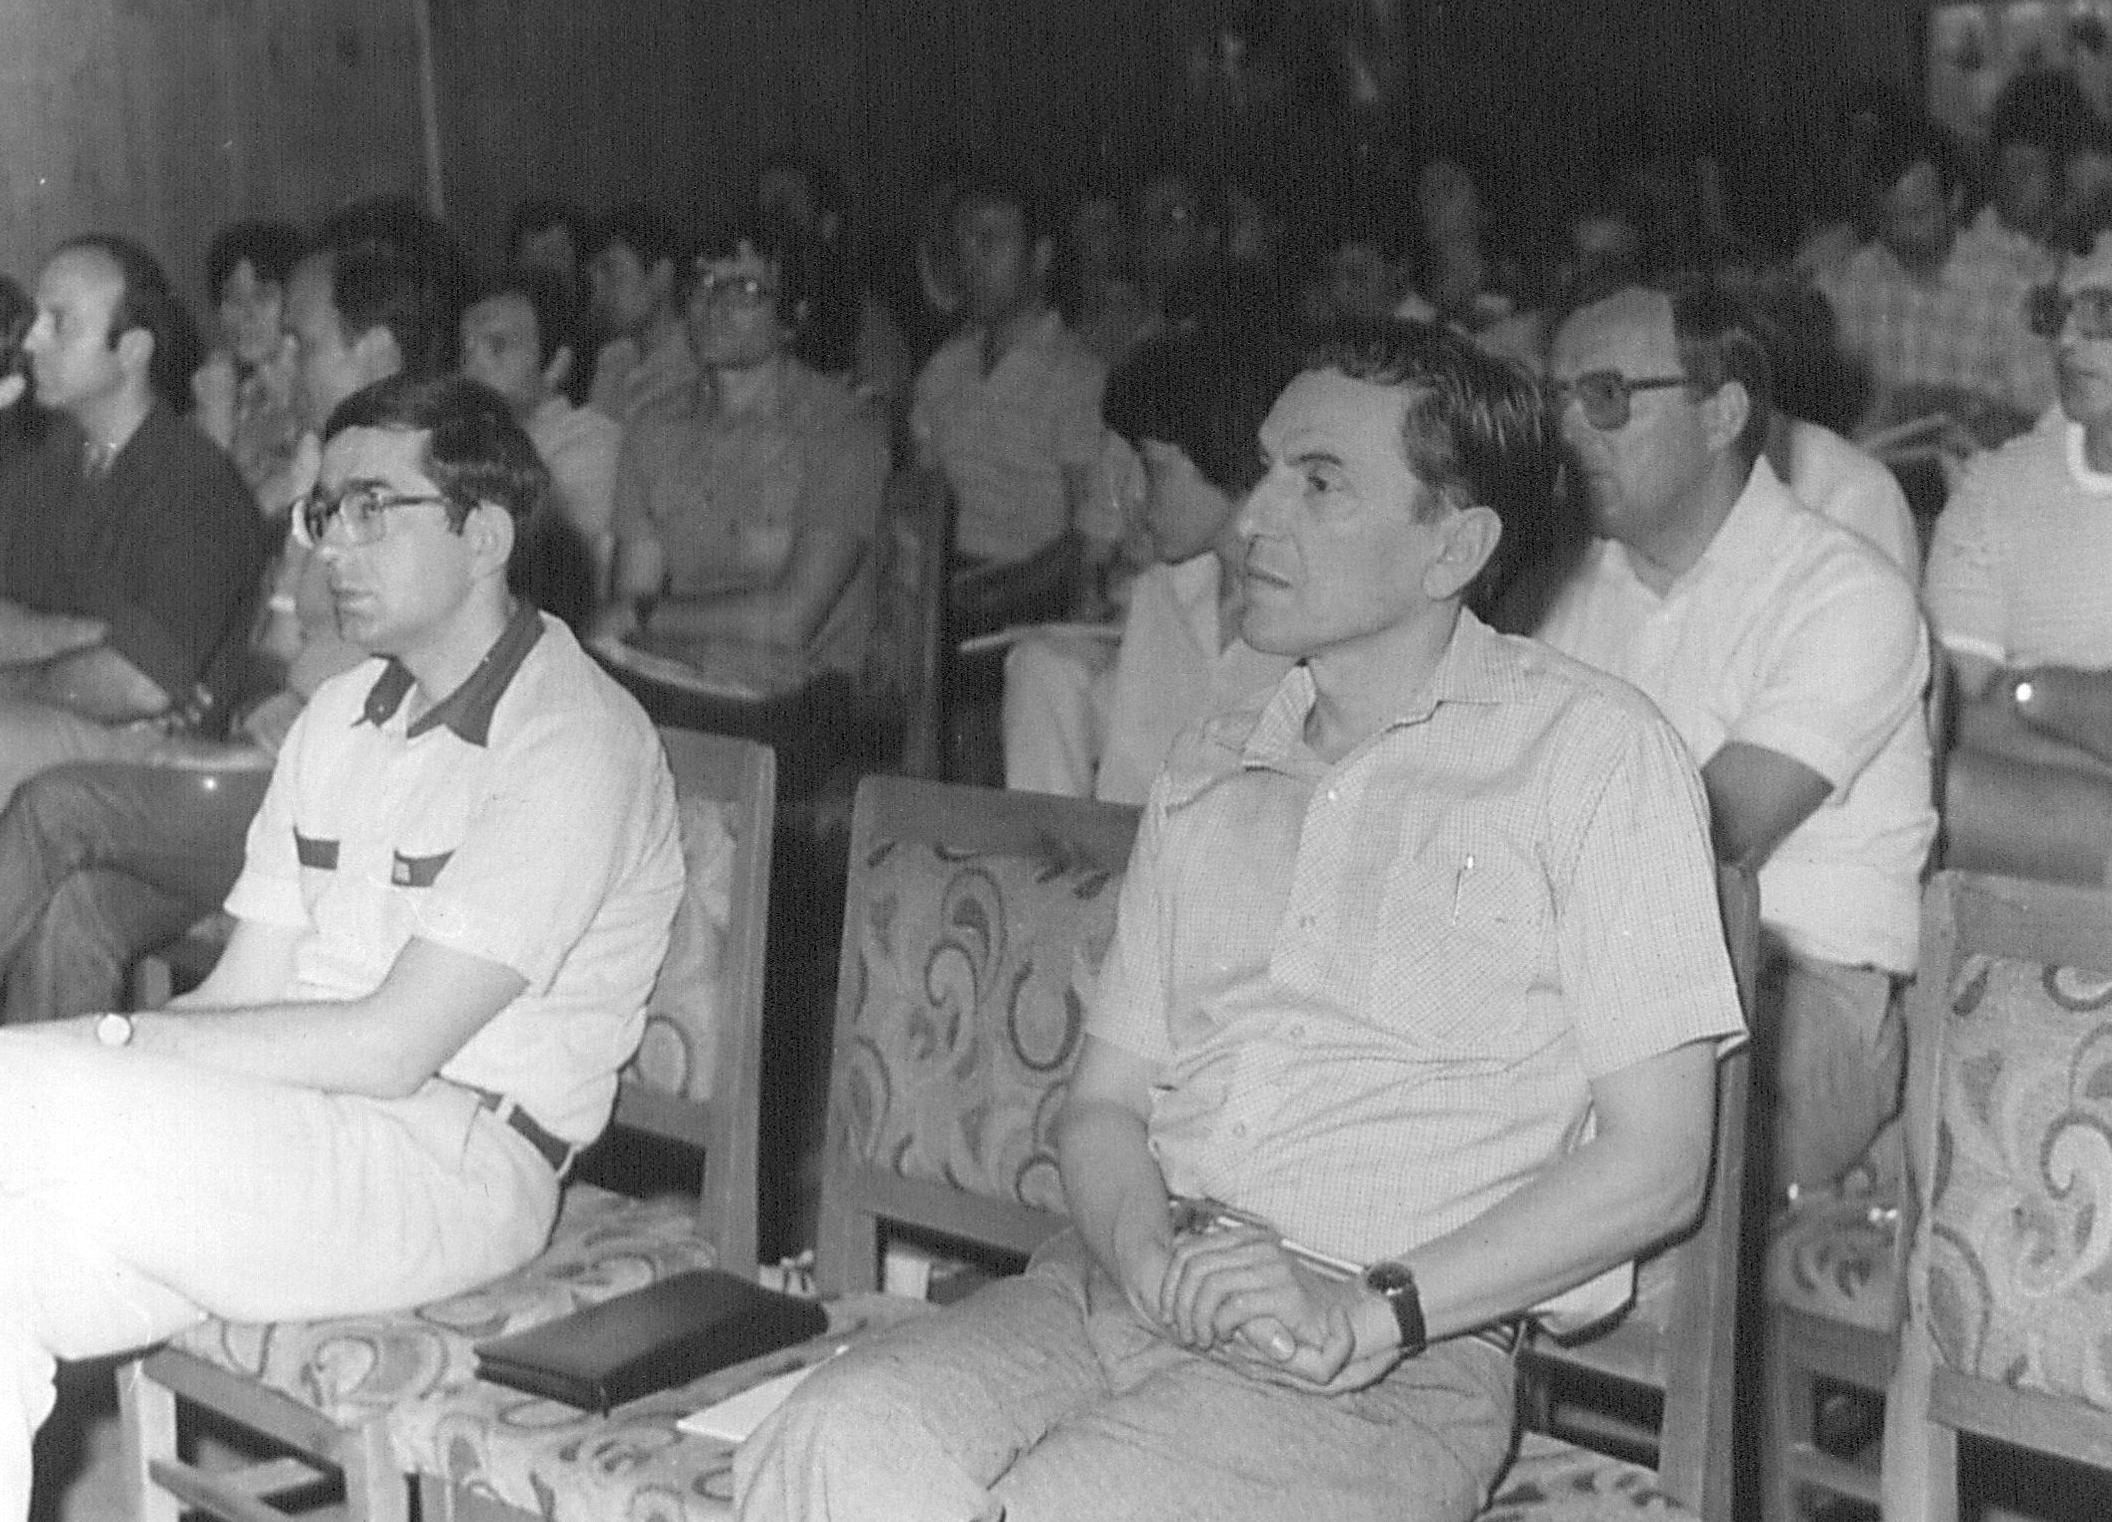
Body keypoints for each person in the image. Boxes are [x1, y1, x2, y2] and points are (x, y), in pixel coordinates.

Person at [735, 319, 1745, 1522]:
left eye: (1318, 484)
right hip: (1113, 1290)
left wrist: (1372, 1310)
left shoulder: (1596, 757)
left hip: (1390, 1365)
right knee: (834, 1441)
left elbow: (1660, 1163)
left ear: (1454, 547)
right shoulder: (1212, 764)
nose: (1253, 518)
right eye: (1265, 471)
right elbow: (1104, 1106)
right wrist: (1145, 1252)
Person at [0, 373, 683, 1522]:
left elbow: (388, 1047)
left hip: (455, 1164)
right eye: (324, 512)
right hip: (298, 1143)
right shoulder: (340, 717)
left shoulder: (573, 739)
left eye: (373, 508)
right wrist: (101, 1050)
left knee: (23, 1100)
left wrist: (98, 1047)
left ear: (485, 536)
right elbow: (242, 992)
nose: (331, 547)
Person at [0, 198, 469, 1025]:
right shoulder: (330, 471)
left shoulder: (431, 488)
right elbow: (279, 648)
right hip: (267, 769)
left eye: (304, 342)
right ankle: (49, 1104)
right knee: (77, 911)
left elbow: (410, 697)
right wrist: (224, 712)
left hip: (346, 797)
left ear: (376, 351)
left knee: (56, 807)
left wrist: (236, 737)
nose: (281, 360)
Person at [1537, 276, 1935, 1200]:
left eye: (1604, 398)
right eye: (1557, 400)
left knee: (1579, 1167)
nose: (1569, 431)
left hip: (1796, 994)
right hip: (1584, 979)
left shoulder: (1843, 590)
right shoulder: (1560, 592)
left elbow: (1707, 840)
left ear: (1721, 414)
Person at [0, 234, 267, 810]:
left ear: (132, 350)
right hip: (65, 720)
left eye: (59, 323)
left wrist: (20, 674)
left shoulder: (193, 484)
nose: (31, 340)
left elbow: (138, 685)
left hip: (162, 756)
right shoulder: (45, 460)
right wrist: (93, 639)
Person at [1002, 326, 1293, 802]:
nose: (1132, 494)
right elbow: (1134, 776)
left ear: (1226, 458)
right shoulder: (1166, 591)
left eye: (1154, 467)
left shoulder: (1310, 618)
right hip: (1144, 838)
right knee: (1040, 664)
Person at [600, 230, 888, 678]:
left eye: (746, 291)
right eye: (705, 283)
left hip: (804, 691)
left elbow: (791, 621)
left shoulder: (841, 429)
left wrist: (646, 615)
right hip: (683, 675)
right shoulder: (656, 426)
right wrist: (637, 620)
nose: (715, 305)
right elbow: (630, 594)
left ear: (794, 315)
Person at [1923, 232, 2112, 884]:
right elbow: (1954, 719)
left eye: (2102, 313)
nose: (2067, 341)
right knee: (1940, 791)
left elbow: (1993, 702)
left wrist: (2033, 691)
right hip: (2047, 825)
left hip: (2041, 813)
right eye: (2056, 314)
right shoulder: (1995, 487)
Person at [911, 171, 1111, 636]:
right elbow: (922, 498)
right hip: (940, 586)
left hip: (1022, 598)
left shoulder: (1078, 377)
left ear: (1040, 257)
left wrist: (993, 593)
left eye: (990, 242)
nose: (970, 260)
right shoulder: (944, 367)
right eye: (962, 244)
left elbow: (1088, 536)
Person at [1816, 113, 2051, 437]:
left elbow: (2041, 422)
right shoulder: (1851, 281)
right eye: (1890, 219)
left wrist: (1959, 406)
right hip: (1876, 461)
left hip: (1978, 461)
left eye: (1918, 216)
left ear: (1954, 200)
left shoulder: (2010, 289)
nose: (1905, 233)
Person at [460, 268, 621, 589]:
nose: (471, 364)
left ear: (556, 365)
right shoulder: (466, 441)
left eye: (497, 346)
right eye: (465, 347)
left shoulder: (590, 442)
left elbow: (556, 570)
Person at [190, 219, 306, 503]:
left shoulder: (314, 394)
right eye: (233, 298)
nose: (246, 314)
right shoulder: (221, 391)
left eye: (263, 296)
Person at [585, 203, 697, 427]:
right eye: (593, 280)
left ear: (661, 275)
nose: (599, 294)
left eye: (611, 274)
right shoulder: (613, 359)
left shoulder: (695, 363)